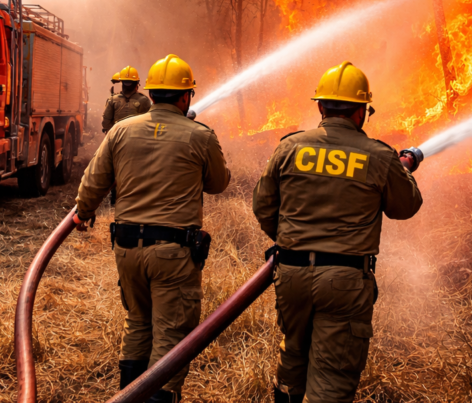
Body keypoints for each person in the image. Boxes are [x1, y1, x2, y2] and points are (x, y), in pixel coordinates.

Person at [252, 61, 423, 403]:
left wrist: (290, 242)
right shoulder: (378, 155)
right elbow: (405, 207)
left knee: (293, 359)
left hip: (292, 275)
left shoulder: (290, 147)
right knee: (331, 379)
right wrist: (401, 170)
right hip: (343, 282)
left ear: (320, 106)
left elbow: (264, 208)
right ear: (362, 111)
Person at [74, 54, 231, 403]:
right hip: (173, 253)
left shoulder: (120, 131)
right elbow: (218, 183)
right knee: (171, 334)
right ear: (185, 96)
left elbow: (94, 182)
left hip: (127, 249)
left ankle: (127, 396)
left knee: (138, 322)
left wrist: (82, 213)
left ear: (151, 93)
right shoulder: (199, 136)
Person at [102, 65, 152, 132]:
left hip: (117, 138)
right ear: (137, 83)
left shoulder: (113, 100)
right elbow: (149, 123)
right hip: (136, 138)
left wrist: (114, 134)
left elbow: (106, 122)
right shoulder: (143, 100)